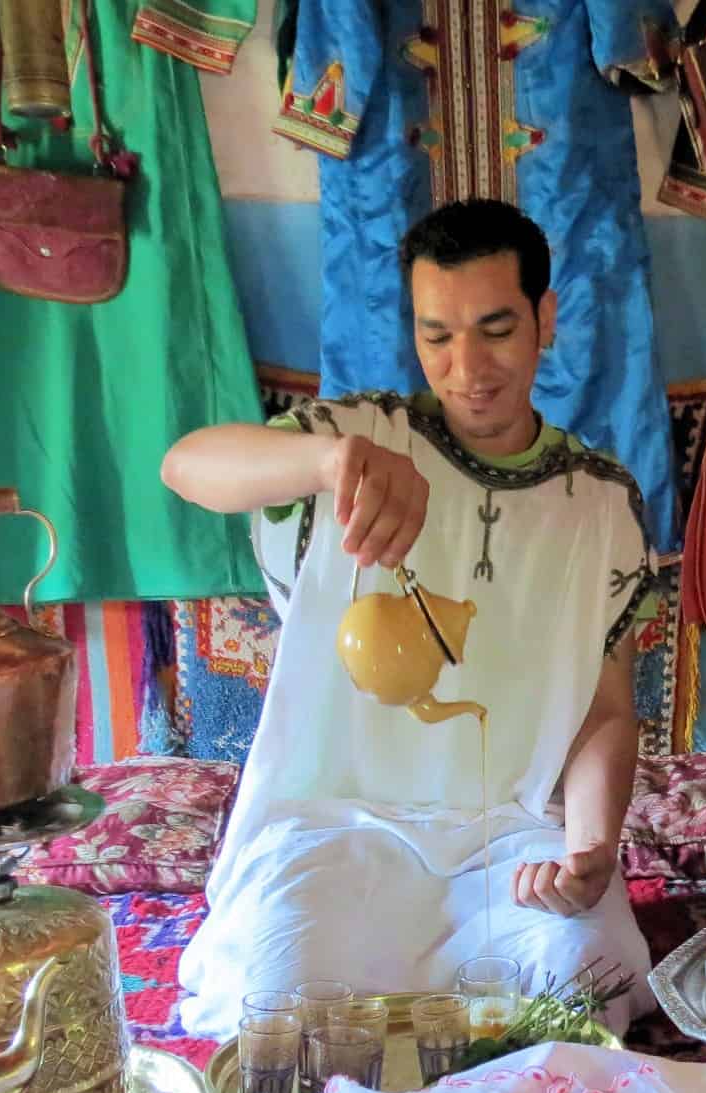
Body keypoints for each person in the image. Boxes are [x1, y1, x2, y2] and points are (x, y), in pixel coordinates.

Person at [162, 199, 655, 1039]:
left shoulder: (600, 503)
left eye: (497, 329)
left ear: (546, 318)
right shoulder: (359, 439)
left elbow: (605, 709)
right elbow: (186, 466)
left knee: (587, 983)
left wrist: (591, 849)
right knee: (284, 1009)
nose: (467, 368)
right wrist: (324, 460)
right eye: (437, 336)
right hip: (337, 835)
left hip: (510, 848)